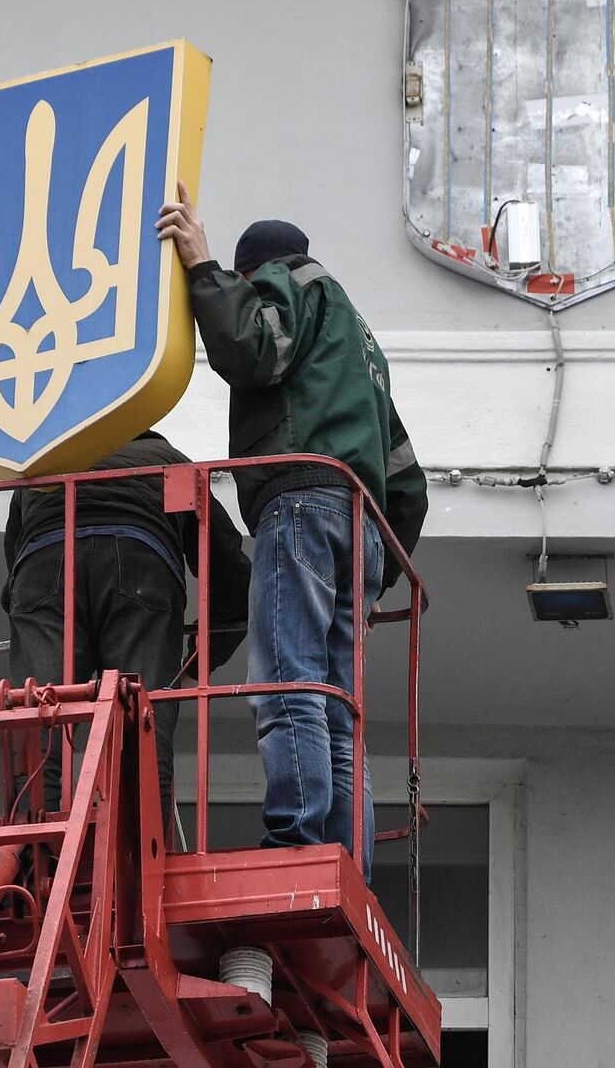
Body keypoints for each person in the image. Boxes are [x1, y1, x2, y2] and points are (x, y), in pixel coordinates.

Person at [155, 185, 428, 878]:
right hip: (360, 526)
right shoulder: (363, 343)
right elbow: (409, 483)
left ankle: (300, 844)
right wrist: (372, 575)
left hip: (301, 505)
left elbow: (252, 349)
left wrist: (202, 271)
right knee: (339, 706)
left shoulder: (288, 284)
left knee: (287, 683)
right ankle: (346, 860)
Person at [3, 430, 252, 836]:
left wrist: (30, 611)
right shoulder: (169, 460)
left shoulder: (50, 453)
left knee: (39, 717)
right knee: (142, 721)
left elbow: (14, 567)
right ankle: (141, 848)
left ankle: (32, 850)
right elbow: (228, 567)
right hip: (140, 566)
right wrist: (201, 659)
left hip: (44, 565)